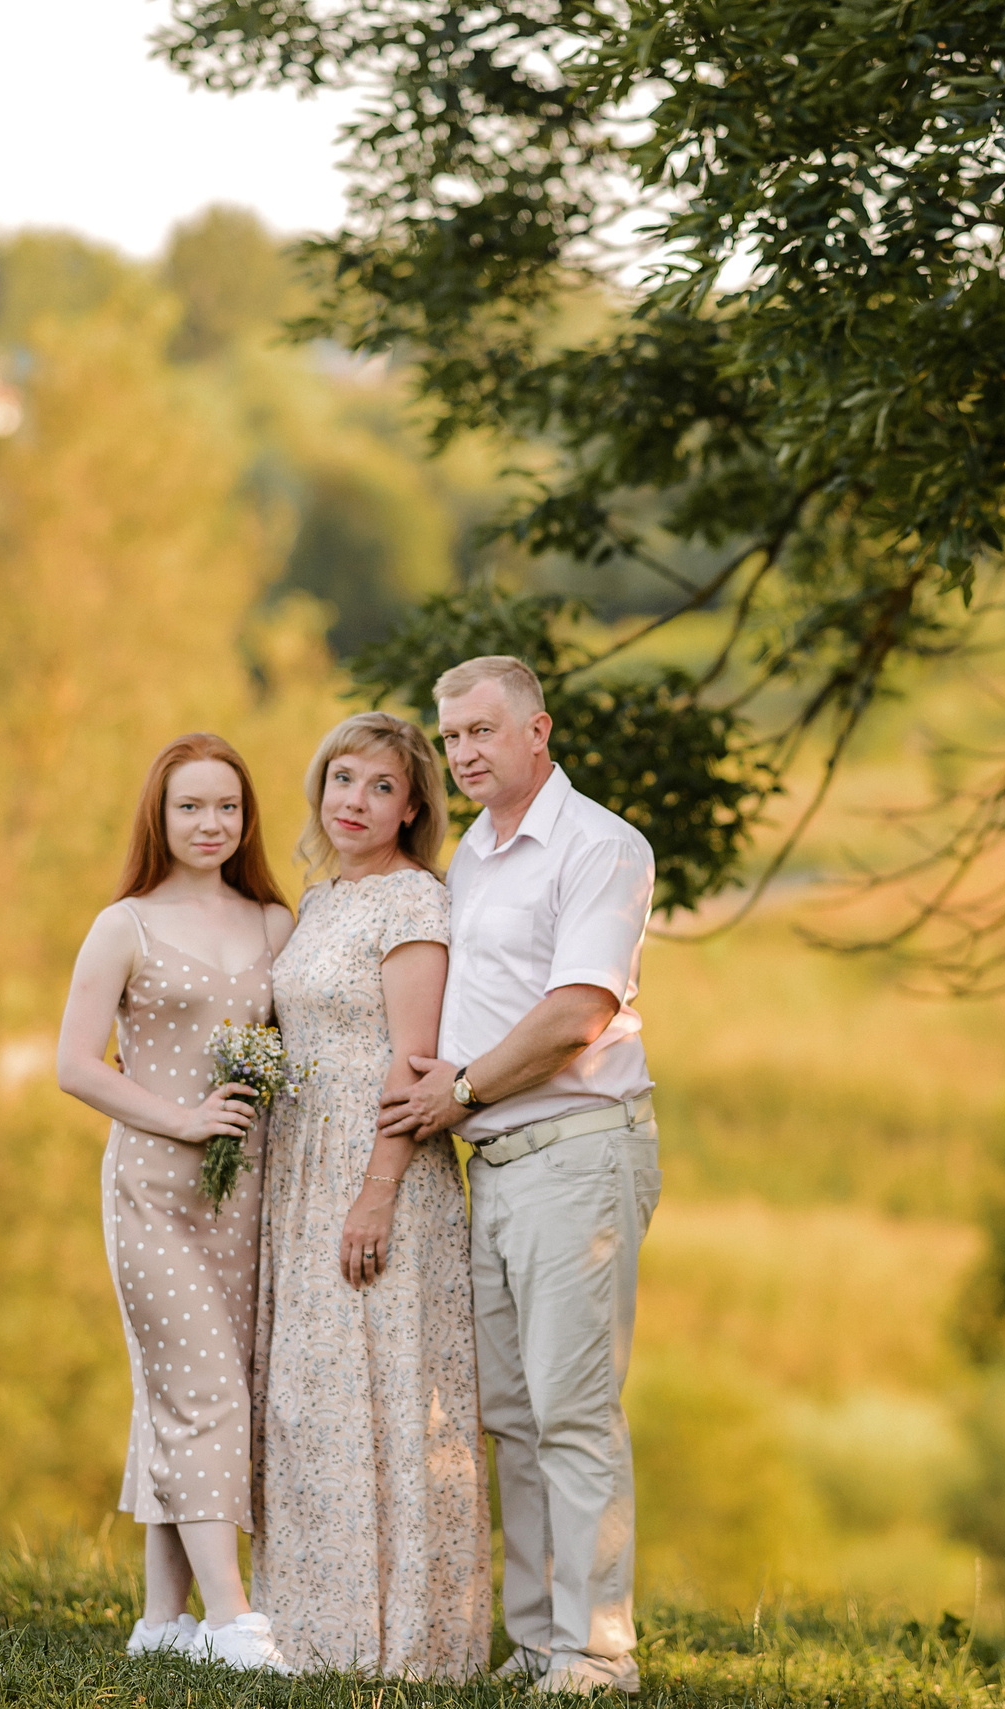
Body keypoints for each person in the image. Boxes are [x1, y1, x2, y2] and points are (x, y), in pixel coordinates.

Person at [380, 656, 661, 1698]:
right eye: (450, 737)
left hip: (575, 1153)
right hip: (493, 1162)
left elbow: (575, 1010)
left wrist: (457, 1086)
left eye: (483, 731)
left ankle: (598, 1651)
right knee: (510, 1410)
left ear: (537, 730)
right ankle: (542, 1640)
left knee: (573, 1408)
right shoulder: (473, 861)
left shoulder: (599, 845)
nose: (462, 752)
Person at [248, 711, 491, 1676]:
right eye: (342, 778)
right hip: (303, 1175)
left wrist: (377, 1193)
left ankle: (403, 1642)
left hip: (379, 1171)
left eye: (380, 786)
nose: (355, 800)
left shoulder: (412, 904)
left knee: (384, 1392)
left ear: (413, 807)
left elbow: (413, 1061)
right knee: (312, 1398)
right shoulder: (315, 903)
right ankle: (305, 1629)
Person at [56, 733, 295, 1673]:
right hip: (153, 1191)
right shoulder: (125, 924)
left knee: (190, 1395)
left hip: (248, 1200)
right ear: (159, 814)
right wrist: (186, 1121)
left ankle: (162, 1624)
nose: (211, 823)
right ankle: (236, 1624)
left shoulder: (275, 922)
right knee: (203, 1391)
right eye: (191, 806)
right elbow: (74, 1065)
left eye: (228, 807)